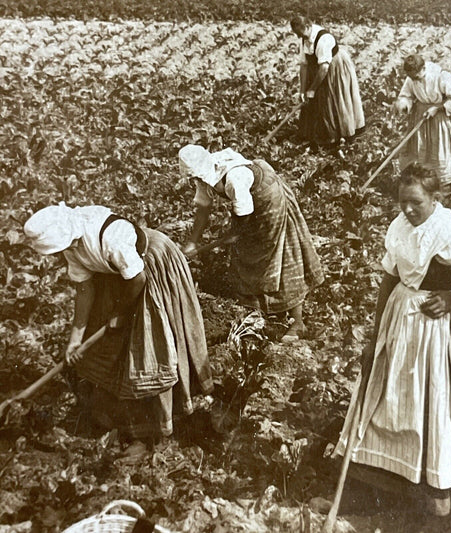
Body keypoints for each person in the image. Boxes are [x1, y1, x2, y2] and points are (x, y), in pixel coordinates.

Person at [332, 164, 451, 518]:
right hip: (401, 319)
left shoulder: (447, 231)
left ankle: (438, 494)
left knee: (437, 401)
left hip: (439, 327)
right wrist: (376, 333)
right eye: (403, 202)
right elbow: (389, 279)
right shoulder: (400, 226)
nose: (408, 209)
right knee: (394, 399)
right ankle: (391, 482)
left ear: (436, 199)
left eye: (416, 203)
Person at [24, 203, 213, 450]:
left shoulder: (109, 237)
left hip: (149, 266)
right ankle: (118, 417)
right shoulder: (71, 245)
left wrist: (120, 314)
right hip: (117, 276)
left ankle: (154, 430)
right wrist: (75, 337)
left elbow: (138, 278)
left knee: (147, 347)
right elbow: (84, 289)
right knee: (106, 344)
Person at [178, 144, 324, 342]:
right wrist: (193, 242)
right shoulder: (204, 177)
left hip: (268, 197)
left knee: (278, 253)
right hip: (248, 203)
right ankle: (263, 308)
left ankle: (298, 322)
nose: (194, 181)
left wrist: (233, 235)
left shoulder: (233, 178)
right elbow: (203, 209)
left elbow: (242, 220)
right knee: (246, 256)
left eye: (194, 177)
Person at [395, 54, 451, 188]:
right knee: (422, 153)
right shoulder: (411, 78)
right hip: (422, 118)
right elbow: (406, 95)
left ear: (423, 68)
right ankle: (427, 182)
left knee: (443, 152)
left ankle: (450, 183)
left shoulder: (442, 77)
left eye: (417, 77)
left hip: (442, 119)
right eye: (412, 78)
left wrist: (438, 108)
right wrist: (404, 104)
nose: (415, 80)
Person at [290, 16, 365, 148]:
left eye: (299, 33)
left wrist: (312, 89)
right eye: (296, 34)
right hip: (318, 67)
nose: (298, 37)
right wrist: (303, 90)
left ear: (307, 27)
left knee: (332, 99)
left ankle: (336, 135)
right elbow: (304, 65)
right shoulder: (304, 39)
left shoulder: (323, 39)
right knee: (313, 101)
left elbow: (324, 68)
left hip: (334, 67)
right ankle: (315, 134)